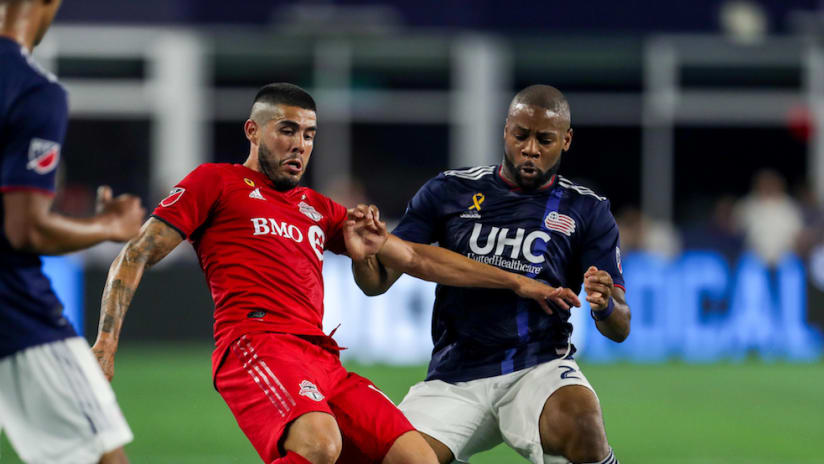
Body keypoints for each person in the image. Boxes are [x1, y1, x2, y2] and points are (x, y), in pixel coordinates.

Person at [91, 82, 580, 464]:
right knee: (319, 444)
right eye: (287, 130)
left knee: (414, 456)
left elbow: (412, 258)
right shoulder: (215, 182)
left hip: (321, 358)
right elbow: (133, 254)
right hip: (254, 342)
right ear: (253, 131)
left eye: (308, 134)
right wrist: (106, 345)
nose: (299, 145)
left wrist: (516, 281)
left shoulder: (315, 207)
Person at [352, 84, 631, 464]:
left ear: (566, 141)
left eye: (544, 139)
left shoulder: (587, 210)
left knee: (583, 422)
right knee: (392, 457)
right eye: (521, 135)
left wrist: (604, 306)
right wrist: (362, 253)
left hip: (538, 367)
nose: (530, 148)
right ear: (505, 131)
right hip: (456, 376)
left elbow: (620, 326)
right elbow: (376, 282)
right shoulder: (449, 191)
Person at [0, 1, 145, 463]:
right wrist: (111, 225)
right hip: (14, 313)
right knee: (103, 456)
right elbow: (26, 229)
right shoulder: (33, 90)